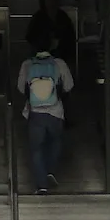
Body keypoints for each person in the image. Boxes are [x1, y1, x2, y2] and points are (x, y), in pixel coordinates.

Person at [18, 44, 73, 194]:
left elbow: (20, 88)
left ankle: (41, 185)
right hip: (56, 112)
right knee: (55, 141)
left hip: (35, 113)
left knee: (36, 149)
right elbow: (69, 85)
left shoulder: (27, 64)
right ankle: (50, 171)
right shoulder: (59, 63)